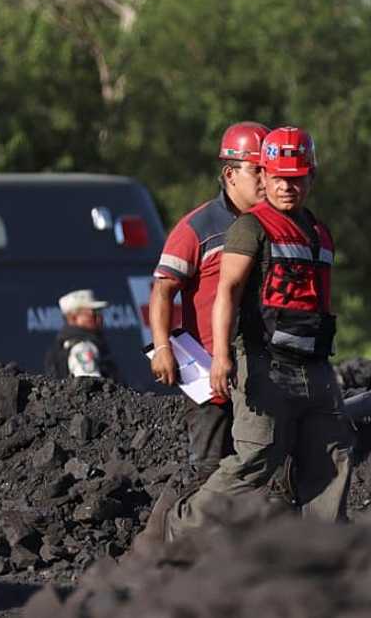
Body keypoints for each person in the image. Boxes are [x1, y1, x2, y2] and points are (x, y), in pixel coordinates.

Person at [165, 126, 354, 541]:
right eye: (280, 177)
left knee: (332, 452)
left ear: (311, 178)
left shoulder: (320, 233)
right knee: (257, 456)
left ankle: (323, 554)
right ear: (265, 177)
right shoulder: (250, 228)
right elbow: (226, 293)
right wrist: (221, 358)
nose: (288, 186)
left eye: (298, 177)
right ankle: (185, 529)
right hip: (264, 360)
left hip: (314, 364)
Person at [149, 121, 268, 487]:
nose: (266, 180)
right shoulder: (198, 228)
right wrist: (162, 346)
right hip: (210, 375)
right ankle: (189, 539)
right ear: (230, 174)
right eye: (256, 170)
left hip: (261, 370)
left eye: (269, 170)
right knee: (211, 472)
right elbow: (163, 290)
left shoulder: (274, 225)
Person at [44, 289, 118, 380]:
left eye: (100, 313)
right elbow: (91, 386)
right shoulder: (82, 348)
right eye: (93, 314)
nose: (99, 318)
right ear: (74, 318)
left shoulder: (65, 344)